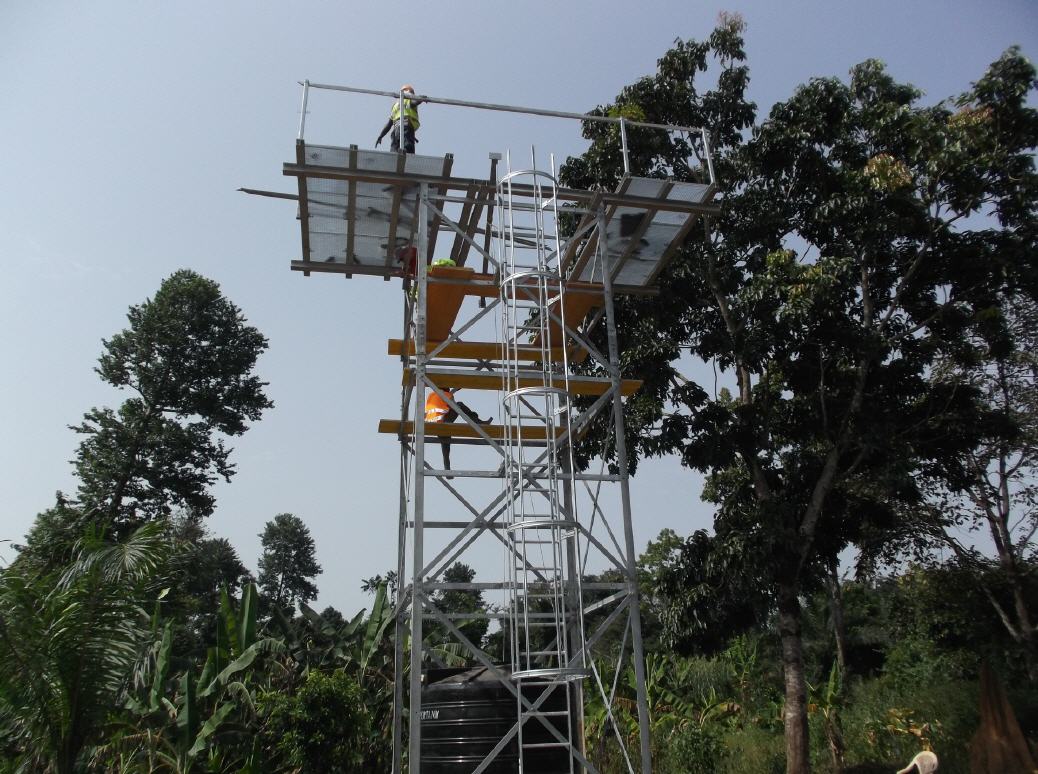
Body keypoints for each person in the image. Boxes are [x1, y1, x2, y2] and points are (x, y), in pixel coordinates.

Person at [425, 388, 491, 471]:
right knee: (459, 405)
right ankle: (478, 422)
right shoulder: (447, 395)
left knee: (445, 445)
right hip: (444, 422)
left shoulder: (431, 395)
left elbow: (443, 399)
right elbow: (454, 405)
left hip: (432, 424)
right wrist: (452, 395)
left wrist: (454, 390)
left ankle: (447, 469)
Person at [375, 85, 422, 153]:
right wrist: (421, 99)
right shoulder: (406, 100)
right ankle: (404, 155)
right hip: (405, 126)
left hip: (399, 128)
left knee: (397, 146)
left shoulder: (396, 105)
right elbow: (415, 102)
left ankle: (394, 156)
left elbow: (389, 124)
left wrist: (381, 136)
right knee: (406, 144)